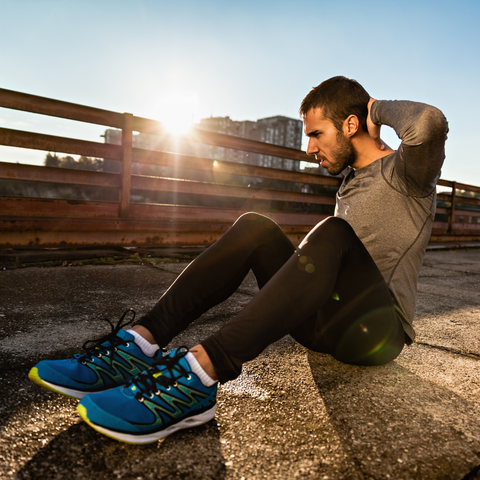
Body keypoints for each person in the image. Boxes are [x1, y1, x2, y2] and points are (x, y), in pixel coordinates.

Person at [29, 76, 448, 444]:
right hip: (324, 327)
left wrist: (374, 108)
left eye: (317, 133)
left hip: (377, 335)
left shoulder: (408, 173)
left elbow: (428, 122)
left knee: (335, 232)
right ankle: (140, 344)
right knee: (255, 227)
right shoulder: (350, 181)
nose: (309, 148)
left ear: (351, 124)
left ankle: (201, 373)